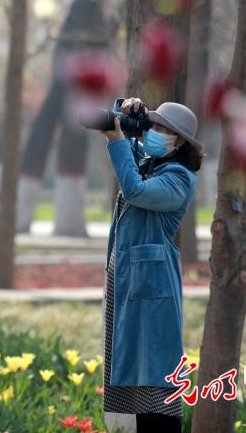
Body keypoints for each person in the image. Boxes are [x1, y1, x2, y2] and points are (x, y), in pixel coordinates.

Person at [98, 98, 204, 433]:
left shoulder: (178, 178)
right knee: (133, 376)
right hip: (130, 282)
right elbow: (134, 164)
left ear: (181, 140)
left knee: (155, 378)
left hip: (153, 287)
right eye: (153, 126)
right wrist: (125, 117)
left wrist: (116, 142)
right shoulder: (152, 164)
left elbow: (134, 190)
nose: (154, 133)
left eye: (162, 129)